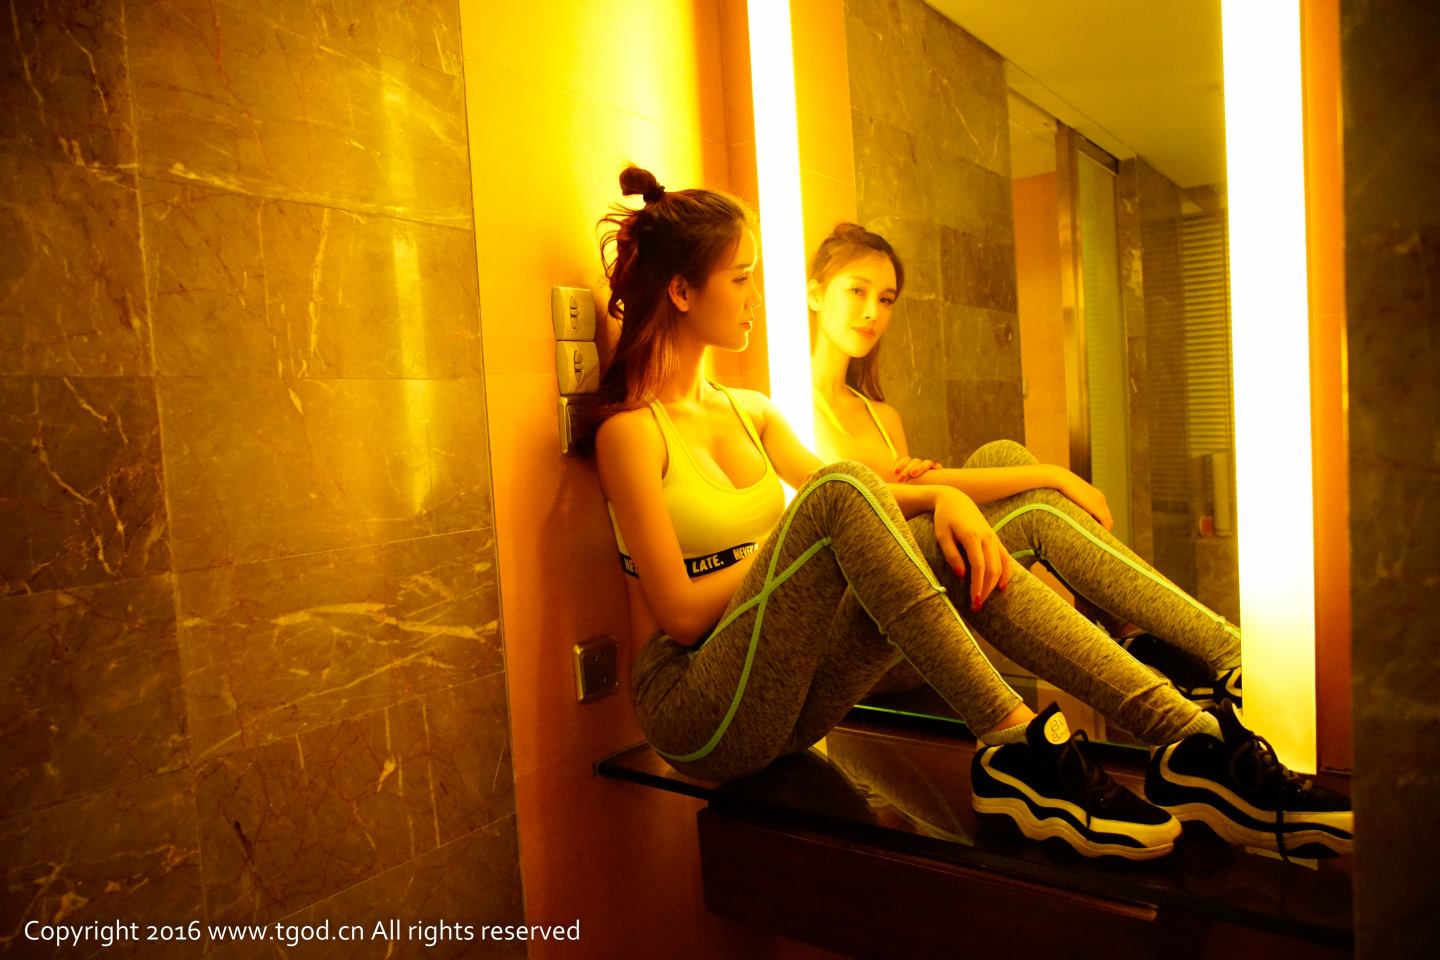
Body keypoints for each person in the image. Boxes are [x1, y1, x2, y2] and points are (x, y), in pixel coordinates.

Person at [582, 168, 1347, 861]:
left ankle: (1200, 741)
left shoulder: (751, 411)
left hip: (791, 699)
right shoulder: (630, 435)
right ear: (682, 291)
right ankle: (1013, 740)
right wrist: (792, 554)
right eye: (741, 278)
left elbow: (854, 503)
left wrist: (946, 496)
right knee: (841, 492)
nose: (755, 297)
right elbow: (681, 614)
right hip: (698, 712)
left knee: (998, 504)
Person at [806, 222, 1351, 856]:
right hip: (863, 639)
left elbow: (909, 516)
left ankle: (1142, 640)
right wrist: (1055, 475)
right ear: (815, 293)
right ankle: (1227, 658)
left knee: (999, 455)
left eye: (886, 298)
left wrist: (972, 489)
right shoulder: (788, 408)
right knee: (1036, 505)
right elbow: (874, 523)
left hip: (918, 616)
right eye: (856, 291)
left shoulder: (880, 414)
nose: (872, 312)